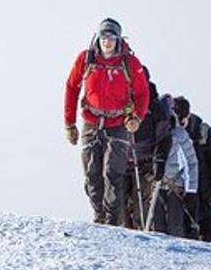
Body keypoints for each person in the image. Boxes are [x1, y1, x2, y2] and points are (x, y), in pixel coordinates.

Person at [63, 18, 150, 226]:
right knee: (92, 173)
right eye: (104, 37)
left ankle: (111, 221)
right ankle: (99, 214)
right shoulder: (86, 60)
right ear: (98, 38)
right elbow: (72, 87)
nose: (107, 42)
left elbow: (142, 93)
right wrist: (69, 123)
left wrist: (136, 117)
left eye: (111, 37)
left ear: (118, 39)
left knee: (113, 173)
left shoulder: (129, 63)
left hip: (118, 124)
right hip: (91, 122)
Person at [172, 97, 211, 242]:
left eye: (182, 122)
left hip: (205, 200)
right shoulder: (169, 132)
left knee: (207, 244)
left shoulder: (204, 133)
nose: (180, 126)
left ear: (188, 116)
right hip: (180, 199)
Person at [123, 69, 173, 230]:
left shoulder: (156, 108)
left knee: (141, 206)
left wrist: (159, 161)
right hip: (120, 161)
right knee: (118, 204)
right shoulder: (119, 101)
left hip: (144, 164)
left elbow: (163, 138)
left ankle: (140, 238)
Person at [146, 106, 199, 237]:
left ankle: (176, 255)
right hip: (157, 185)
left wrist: (191, 190)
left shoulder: (180, 136)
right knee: (157, 225)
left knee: (175, 226)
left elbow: (191, 162)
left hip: (175, 186)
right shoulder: (153, 134)